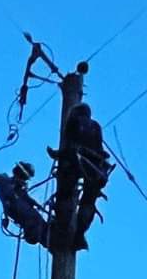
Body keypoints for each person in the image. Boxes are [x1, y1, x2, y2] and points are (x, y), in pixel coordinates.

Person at [47, 103, 112, 250]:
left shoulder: (74, 121)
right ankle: (79, 234)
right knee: (88, 202)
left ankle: (63, 230)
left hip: (76, 160)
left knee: (65, 193)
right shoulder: (96, 126)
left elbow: (68, 145)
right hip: (95, 167)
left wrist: (57, 154)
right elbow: (100, 150)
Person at [0, 160, 47, 246]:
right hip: (14, 207)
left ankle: (46, 236)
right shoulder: (5, 180)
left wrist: (38, 205)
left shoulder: (20, 189)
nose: (24, 180)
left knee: (38, 218)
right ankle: (36, 234)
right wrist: (13, 185)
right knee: (34, 218)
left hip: (20, 208)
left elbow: (27, 198)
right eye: (24, 177)